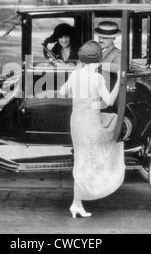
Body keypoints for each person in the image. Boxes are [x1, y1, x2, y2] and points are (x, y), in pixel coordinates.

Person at [60, 41, 126, 219]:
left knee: (80, 160)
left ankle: (76, 203)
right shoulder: (97, 78)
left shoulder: (75, 74)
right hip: (90, 123)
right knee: (113, 130)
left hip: (76, 122)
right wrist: (119, 79)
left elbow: (62, 92)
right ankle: (79, 201)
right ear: (98, 61)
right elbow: (110, 101)